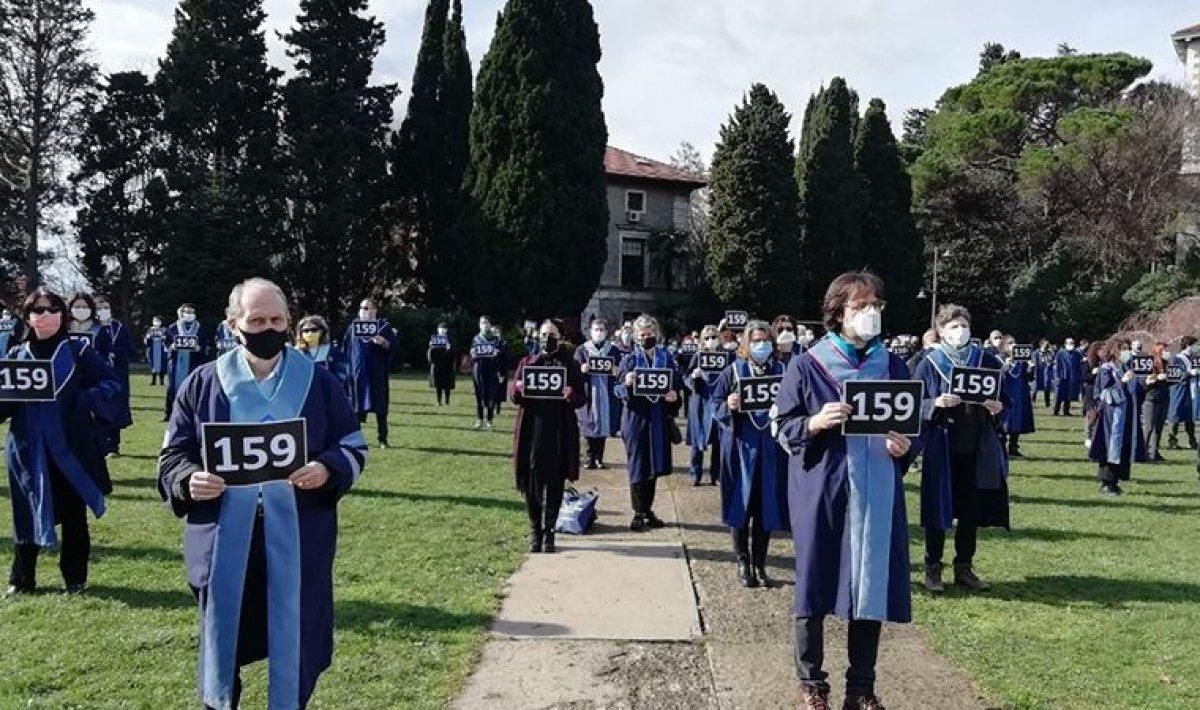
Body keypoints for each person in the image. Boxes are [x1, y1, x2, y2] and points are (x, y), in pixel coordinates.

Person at [158, 278, 368, 710]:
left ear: (288, 321)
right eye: (257, 320)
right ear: (234, 324)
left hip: (296, 537)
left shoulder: (320, 384)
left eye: (276, 319)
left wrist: (327, 468)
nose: (267, 328)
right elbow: (172, 456)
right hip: (223, 540)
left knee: (294, 640)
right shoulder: (202, 384)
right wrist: (188, 479)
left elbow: (352, 446)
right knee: (224, 638)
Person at [772, 272, 915, 710]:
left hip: (876, 489)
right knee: (814, 583)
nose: (870, 313)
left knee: (869, 586)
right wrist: (813, 423)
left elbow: (912, 426)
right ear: (838, 313)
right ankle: (812, 684)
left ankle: (861, 688)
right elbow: (782, 426)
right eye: (860, 306)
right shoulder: (807, 364)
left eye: (876, 305)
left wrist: (905, 446)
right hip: (824, 488)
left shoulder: (892, 366)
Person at [4, 289, 120, 596]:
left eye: (53, 309)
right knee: (25, 511)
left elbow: (110, 382)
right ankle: (22, 580)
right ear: (28, 317)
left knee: (73, 514)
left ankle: (75, 580)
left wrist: (85, 399)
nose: (46, 315)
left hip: (71, 448)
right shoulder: (16, 355)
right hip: (27, 449)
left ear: (62, 314)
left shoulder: (78, 350)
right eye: (38, 310)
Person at [915, 304, 1009, 594]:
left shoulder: (986, 360)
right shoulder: (929, 363)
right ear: (940, 331)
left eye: (964, 325)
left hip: (976, 444)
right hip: (941, 444)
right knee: (937, 508)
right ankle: (933, 567)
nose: (960, 331)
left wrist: (998, 407)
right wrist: (934, 404)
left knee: (969, 509)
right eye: (953, 326)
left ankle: (964, 567)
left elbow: (1005, 399)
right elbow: (912, 403)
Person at [712, 320, 789, 588]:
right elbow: (715, 403)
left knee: (765, 506)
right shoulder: (733, 371)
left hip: (771, 447)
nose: (761, 345)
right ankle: (743, 561)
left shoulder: (782, 370)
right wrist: (728, 405)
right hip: (740, 445)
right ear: (747, 344)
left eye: (765, 340)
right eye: (756, 340)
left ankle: (760, 563)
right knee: (741, 505)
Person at [510, 320, 586, 553]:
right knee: (532, 485)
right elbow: (514, 395)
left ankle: (550, 531)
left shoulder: (570, 365)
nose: (546, 338)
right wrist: (518, 388)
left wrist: (570, 393)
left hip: (559, 433)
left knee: (554, 484)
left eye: (551, 334)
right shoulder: (527, 362)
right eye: (543, 334)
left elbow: (581, 398)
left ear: (559, 337)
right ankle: (536, 530)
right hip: (533, 431)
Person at [613, 315, 682, 531]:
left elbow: (677, 384)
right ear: (635, 336)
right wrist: (626, 382)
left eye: (650, 334)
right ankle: (637, 511)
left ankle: (648, 509)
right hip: (635, 417)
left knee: (653, 464)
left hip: (658, 416)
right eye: (642, 335)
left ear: (656, 334)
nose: (646, 338)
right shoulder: (630, 360)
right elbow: (616, 390)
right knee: (637, 464)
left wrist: (674, 396)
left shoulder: (666, 357)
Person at [1088, 339, 1143, 495]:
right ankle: (1107, 482)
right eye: (1123, 350)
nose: (1126, 353)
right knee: (1110, 447)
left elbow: (1135, 392)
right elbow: (1105, 392)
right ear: (1115, 351)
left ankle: (1116, 482)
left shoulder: (1125, 367)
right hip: (1111, 416)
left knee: (1122, 449)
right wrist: (1122, 382)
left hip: (1126, 415)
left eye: (1127, 349)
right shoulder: (1106, 368)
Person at [343, 298, 395, 449]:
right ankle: (356, 439)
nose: (363, 311)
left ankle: (382, 439)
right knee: (356, 407)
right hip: (358, 373)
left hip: (376, 373)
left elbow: (393, 347)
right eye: (361, 308)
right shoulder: (353, 327)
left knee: (380, 407)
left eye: (366, 308)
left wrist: (384, 342)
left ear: (374, 310)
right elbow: (346, 348)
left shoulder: (384, 327)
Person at [576, 318, 622, 469]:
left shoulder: (613, 350)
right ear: (590, 331)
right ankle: (589, 457)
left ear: (606, 332)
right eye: (596, 329)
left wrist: (617, 372)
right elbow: (573, 372)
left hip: (605, 392)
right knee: (587, 424)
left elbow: (621, 370)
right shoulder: (582, 350)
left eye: (602, 330)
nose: (599, 332)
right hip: (588, 392)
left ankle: (599, 458)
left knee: (603, 424)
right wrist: (581, 370)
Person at [94, 296, 133, 457]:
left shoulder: (119, 327)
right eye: (100, 308)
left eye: (106, 307)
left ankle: (114, 446)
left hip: (118, 373)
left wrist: (116, 352)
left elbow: (129, 348)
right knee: (99, 407)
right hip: (98, 374)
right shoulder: (93, 328)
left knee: (116, 407)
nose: (104, 311)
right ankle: (100, 444)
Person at [684, 325, 724, 486]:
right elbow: (686, 378)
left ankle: (717, 474)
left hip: (718, 400)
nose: (711, 341)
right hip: (700, 400)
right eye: (707, 338)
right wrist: (694, 377)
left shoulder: (725, 356)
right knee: (697, 440)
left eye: (714, 337)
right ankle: (696, 472)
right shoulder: (698, 356)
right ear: (701, 340)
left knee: (719, 441)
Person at [165, 303, 207, 421]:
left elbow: (205, 344)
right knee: (172, 388)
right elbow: (166, 343)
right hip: (177, 362)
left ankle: (192, 413)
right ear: (182, 313)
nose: (189, 314)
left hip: (193, 362)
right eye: (187, 312)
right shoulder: (173, 327)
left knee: (193, 386)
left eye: (191, 312)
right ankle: (169, 414)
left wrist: (200, 349)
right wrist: (171, 347)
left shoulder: (199, 327)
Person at [1000, 335, 1035, 457]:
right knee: (1005, 421)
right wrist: (1005, 366)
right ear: (1004, 346)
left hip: (1020, 393)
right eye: (1010, 343)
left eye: (1014, 342)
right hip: (1006, 393)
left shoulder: (1022, 361)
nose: (1013, 345)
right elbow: (998, 377)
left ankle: (1013, 446)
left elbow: (1029, 377)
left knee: (1018, 420)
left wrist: (1031, 366)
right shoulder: (999, 359)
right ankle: (1002, 447)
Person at [294, 315, 349, 386]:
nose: (310, 333)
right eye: (306, 331)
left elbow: (341, 375)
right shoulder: (296, 353)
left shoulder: (332, 352)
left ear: (321, 331)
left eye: (314, 330)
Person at [1166, 336, 1199, 450]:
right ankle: (1172, 441)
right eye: (1194, 345)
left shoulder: (1192, 358)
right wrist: (1189, 373)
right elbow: (1174, 375)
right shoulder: (1177, 358)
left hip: (1188, 390)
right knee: (1175, 414)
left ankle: (1192, 441)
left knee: (1189, 417)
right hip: (1178, 390)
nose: (1195, 347)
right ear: (1188, 345)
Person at [470, 317, 504, 429]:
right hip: (478, 369)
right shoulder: (476, 338)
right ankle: (479, 419)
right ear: (479, 325)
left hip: (491, 369)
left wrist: (497, 354)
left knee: (491, 395)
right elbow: (472, 356)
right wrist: (472, 354)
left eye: (486, 322)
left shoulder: (496, 339)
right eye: (482, 323)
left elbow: (503, 357)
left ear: (490, 324)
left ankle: (489, 421)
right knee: (479, 395)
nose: (484, 325)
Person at [1142, 343, 1171, 462]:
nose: (1167, 353)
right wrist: (1157, 378)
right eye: (1164, 351)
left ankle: (1154, 452)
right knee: (1149, 428)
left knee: (1159, 428)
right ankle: (1143, 452)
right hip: (1151, 399)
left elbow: (1170, 382)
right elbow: (1145, 385)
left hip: (1163, 399)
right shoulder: (1150, 365)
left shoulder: (1167, 364)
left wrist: (1170, 378)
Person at [427, 322, 456, 406]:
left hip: (447, 365)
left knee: (447, 384)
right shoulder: (434, 340)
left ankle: (447, 401)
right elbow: (429, 356)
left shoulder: (451, 340)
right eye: (441, 328)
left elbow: (454, 355)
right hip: (437, 365)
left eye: (444, 329)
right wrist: (431, 348)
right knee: (438, 384)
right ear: (438, 330)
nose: (443, 330)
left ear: (447, 330)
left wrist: (449, 349)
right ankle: (439, 401)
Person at [1053, 338, 1083, 416]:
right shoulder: (1060, 353)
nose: (1071, 344)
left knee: (1068, 395)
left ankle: (1066, 411)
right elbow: (1057, 365)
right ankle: (1056, 411)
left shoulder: (1077, 354)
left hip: (1071, 377)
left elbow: (1080, 364)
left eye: (1073, 343)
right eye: (1070, 343)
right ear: (1065, 343)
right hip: (1062, 376)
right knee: (1059, 394)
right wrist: (1057, 376)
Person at [492, 324, 510, 415]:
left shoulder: (504, 342)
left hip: (501, 368)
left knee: (499, 389)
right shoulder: (491, 341)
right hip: (492, 368)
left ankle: (497, 408)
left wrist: (498, 352)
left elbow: (505, 353)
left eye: (495, 331)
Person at [145, 317, 169, 385]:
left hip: (162, 350)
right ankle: (153, 381)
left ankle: (162, 381)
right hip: (153, 350)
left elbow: (168, 338)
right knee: (153, 366)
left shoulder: (164, 330)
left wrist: (163, 338)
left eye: (158, 321)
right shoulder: (150, 330)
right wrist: (149, 338)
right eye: (155, 321)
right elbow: (146, 340)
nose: (156, 322)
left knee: (162, 366)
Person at [1033, 340, 1055, 408]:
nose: (1047, 347)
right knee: (1035, 388)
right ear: (1041, 345)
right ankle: (1032, 401)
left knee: (1047, 387)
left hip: (1046, 373)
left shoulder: (1049, 353)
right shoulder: (1036, 353)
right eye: (1045, 345)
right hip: (1038, 372)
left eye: (1047, 346)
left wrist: (1050, 360)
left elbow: (1052, 360)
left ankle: (1047, 403)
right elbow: (1033, 362)